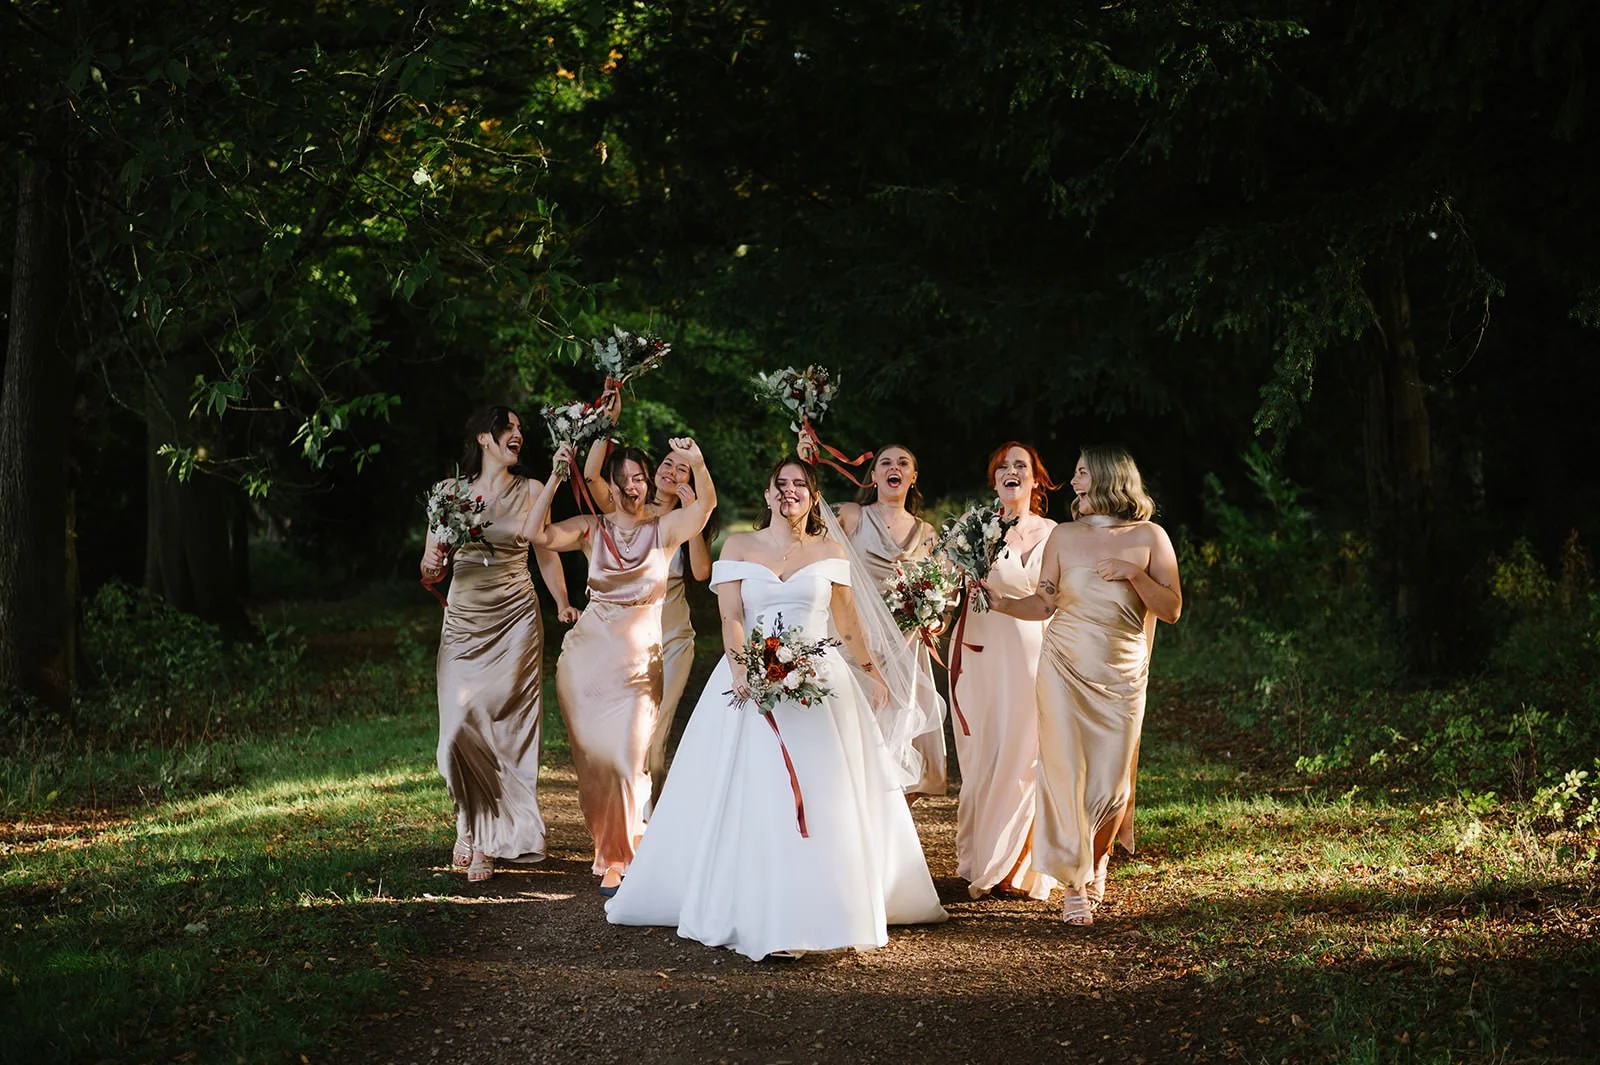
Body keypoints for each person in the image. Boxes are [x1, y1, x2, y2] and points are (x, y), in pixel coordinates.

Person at [605, 456, 947, 959]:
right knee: (756, 787)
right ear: (767, 495)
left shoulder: (831, 551)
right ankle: (757, 900)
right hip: (751, 675)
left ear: (813, 498)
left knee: (825, 790)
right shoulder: (740, 546)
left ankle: (828, 902)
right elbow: (731, 616)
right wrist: (745, 671)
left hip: (818, 679)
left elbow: (847, 622)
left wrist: (872, 674)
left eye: (800, 486)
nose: (789, 493)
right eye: (780, 485)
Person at [986, 444, 1181, 925]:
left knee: (1112, 783)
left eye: (1081, 473)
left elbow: (1171, 609)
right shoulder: (1065, 537)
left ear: (1110, 478)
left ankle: (1098, 859)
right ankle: (1074, 884)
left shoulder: (1150, 537)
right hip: (1062, 667)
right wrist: (1002, 602)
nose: (1073, 482)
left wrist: (1134, 573)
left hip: (1122, 673)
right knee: (1064, 772)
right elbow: (1043, 603)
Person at [525, 438, 716, 896]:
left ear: (646, 481)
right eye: (622, 478)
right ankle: (608, 844)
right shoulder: (592, 528)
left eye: (638, 477)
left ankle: (622, 856)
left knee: (628, 758)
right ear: (609, 485)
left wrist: (697, 462)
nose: (632, 486)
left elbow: (705, 507)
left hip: (638, 662)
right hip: (587, 660)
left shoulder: (665, 529)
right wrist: (554, 476)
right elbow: (536, 534)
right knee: (596, 763)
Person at [420, 406, 578, 883]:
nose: (518, 435)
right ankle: (469, 820)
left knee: (504, 727)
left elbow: (546, 554)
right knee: (457, 727)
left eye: (519, 429)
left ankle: (483, 838)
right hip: (464, 621)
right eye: (507, 428)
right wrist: (432, 562)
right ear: (483, 438)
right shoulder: (447, 494)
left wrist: (562, 604)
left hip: (515, 620)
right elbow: (431, 567)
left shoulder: (531, 491)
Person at [581, 393, 715, 812]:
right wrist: (607, 423)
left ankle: (653, 820)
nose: (672, 473)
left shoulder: (685, 521)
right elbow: (590, 475)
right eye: (667, 464)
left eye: (682, 468)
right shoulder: (627, 507)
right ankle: (627, 818)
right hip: (622, 642)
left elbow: (701, 574)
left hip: (672, 642)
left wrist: (695, 516)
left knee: (655, 737)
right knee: (623, 733)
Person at [802, 435, 948, 800]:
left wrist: (934, 620)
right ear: (873, 476)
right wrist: (805, 463)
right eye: (885, 462)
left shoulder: (928, 534)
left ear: (913, 477)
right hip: (856, 641)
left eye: (902, 463)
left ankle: (887, 819)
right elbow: (806, 519)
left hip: (905, 648)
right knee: (851, 730)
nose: (893, 468)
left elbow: (941, 595)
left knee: (900, 738)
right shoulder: (852, 515)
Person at [951, 442, 1060, 900]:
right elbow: (945, 588)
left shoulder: (1055, 533)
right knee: (983, 757)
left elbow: (1059, 598)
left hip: (1034, 656)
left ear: (1036, 479)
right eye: (1004, 466)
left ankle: (1018, 868)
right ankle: (982, 859)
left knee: (1026, 755)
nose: (1012, 472)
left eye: (1022, 466)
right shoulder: (972, 527)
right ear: (994, 479)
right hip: (979, 653)